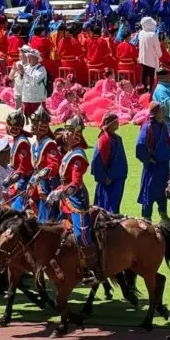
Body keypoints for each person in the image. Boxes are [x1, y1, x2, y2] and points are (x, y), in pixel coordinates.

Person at [55, 116, 101, 285]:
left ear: (77, 134)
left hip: (76, 201)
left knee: (82, 234)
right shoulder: (69, 152)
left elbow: (75, 183)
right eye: (66, 130)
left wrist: (60, 193)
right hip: (65, 198)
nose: (66, 134)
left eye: (69, 131)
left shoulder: (78, 155)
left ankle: (93, 270)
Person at [136, 101, 170, 222]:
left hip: (163, 165)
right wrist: (148, 159)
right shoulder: (148, 127)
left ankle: (164, 215)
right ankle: (147, 218)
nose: (163, 112)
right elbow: (140, 146)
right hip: (153, 166)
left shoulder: (162, 125)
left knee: (163, 190)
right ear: (156, 113)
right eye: (161, 110)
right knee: (149, 192)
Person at [91, 112, 127, 215]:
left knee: (115, 205)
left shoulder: (117, 138)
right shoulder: (104, 140)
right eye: (115, 122)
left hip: (118, 179)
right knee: (106, 207)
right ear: (110, 124)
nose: (118, 124)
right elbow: (96, 161)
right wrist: (103, 177)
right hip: (109, 181)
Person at [137, 16, 161, 90]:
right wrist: (160, 54)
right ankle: (151, 89)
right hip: (151, 58)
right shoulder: (153, 35)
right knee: (151, 75)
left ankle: (143, 88)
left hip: (143, 57)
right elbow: (157, 47)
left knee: (144, 74)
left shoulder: (141, 33)